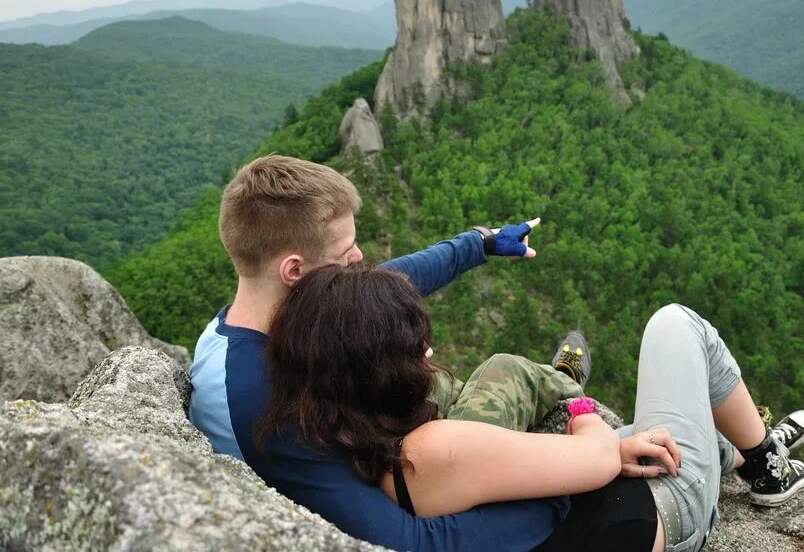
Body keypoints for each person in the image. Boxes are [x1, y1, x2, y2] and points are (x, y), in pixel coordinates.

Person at [188, 154, 597, 549]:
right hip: (411, 484)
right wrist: (564, 499)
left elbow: (382, 289)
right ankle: (561, 383)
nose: (359, 257)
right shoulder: (262, 399)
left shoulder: (247, 324)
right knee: (501, 372)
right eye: (344, 253)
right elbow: (406, 542)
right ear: (294, 271)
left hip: (383, 450)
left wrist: (478, 244)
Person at [259, 264, 804, 551]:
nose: (427, 351)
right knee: (676, 324)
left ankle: (736, 454)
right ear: (382, 369)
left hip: (618, 505)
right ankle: (764, 461)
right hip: (668, 513)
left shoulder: (343, 442)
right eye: (414, 345)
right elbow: (598, 459)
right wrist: (583, 411)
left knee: (663, 428)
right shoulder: (433, 449)